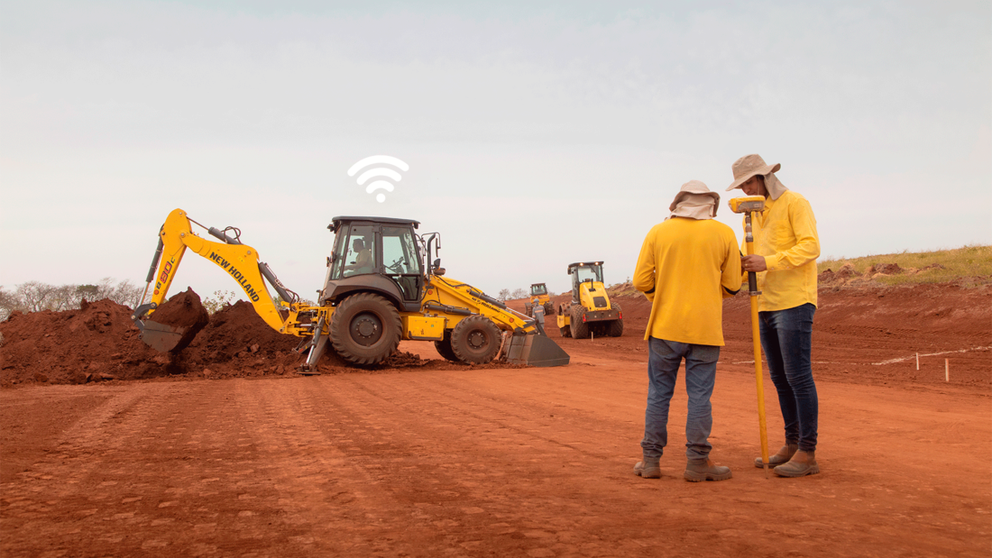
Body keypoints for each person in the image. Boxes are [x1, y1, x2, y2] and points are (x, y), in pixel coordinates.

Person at [632, 180, 742, 482]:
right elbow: (733, 285)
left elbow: (641, 281)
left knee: (658, 395)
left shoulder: (658, 231)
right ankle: (697, 463)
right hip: (705, 330)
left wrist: (664, 296)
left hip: (665, 328)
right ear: (711, 205)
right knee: (699, 398)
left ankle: (651, 461)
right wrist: (707, 295)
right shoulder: (724, 233)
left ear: (678, 203)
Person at [725, 154, 821, 478]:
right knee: (779, 378)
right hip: (764, 303)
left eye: (751, 181)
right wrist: (730, 277)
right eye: (742, 184)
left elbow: (810, 247)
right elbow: (748, 260)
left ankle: (808, 451)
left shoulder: (795, 203)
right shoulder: (750, 217)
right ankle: (792, 443)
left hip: (794, 301)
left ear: (765, 177)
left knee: (798, 377)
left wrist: (769, 262)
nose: (747, 188)